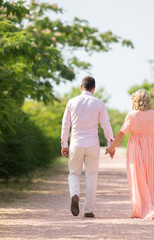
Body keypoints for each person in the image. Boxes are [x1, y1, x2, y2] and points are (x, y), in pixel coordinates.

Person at [105, 89, 154, 219]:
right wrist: (152, 145)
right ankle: (153, 206)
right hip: (151, 147)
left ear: (135, 100)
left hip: (135, 146)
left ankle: (141, 209)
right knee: (151, 177)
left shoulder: (132, 115)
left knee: (137, 177)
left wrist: (111, 147)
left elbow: (121, 133)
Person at [61, 76, 114, 218]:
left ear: (81, 87)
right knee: (91, 176)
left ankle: (75, 194)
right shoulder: (99, 103)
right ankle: (88, 210)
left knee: (74, 173)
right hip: (92, 144)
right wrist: (111, 144)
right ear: (94, 89)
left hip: (76, 144)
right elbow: (106, 125)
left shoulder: (71, 102)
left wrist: (64, 144)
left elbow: (66, 125)